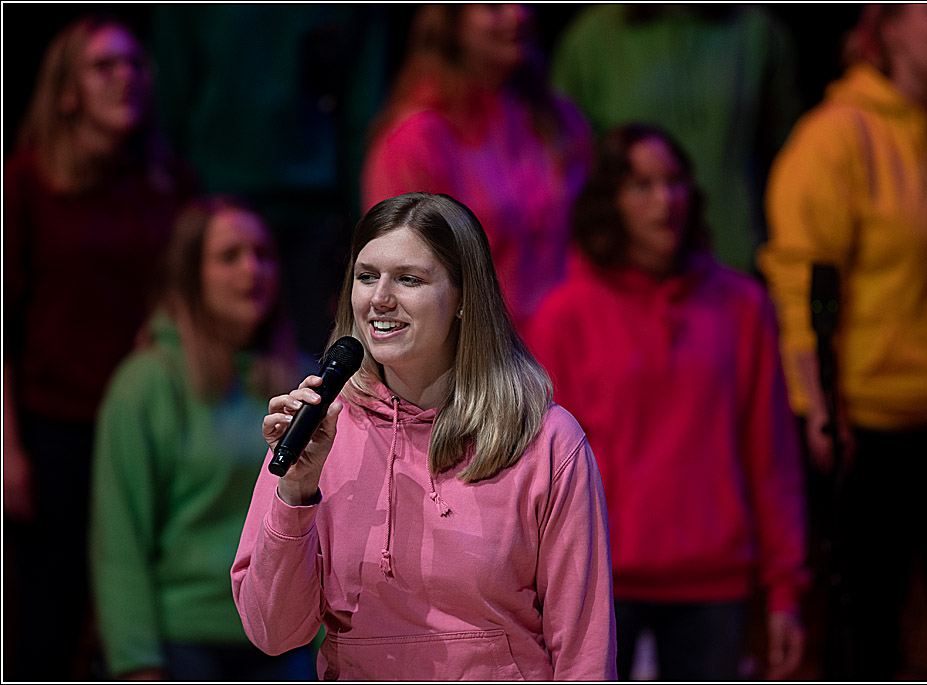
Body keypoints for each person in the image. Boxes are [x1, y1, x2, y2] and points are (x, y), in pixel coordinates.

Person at [231, 192, 616, 680]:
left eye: (409, 279)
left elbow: (584, 649)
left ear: (462, 298)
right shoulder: (318, 430)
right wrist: (295, 491)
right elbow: (273, 632)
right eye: (366, 276)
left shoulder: (544, 439)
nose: (380, 298)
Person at [757, 4, 927, 679]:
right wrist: (820, 400)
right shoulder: (836, 138)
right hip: (870, 420)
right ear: (887, 28)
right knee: (867, 622)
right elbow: (806, 284)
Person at [528, 124, 807, 681]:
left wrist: (785, 591)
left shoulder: (742, 308)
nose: (665, 200)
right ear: (610, 203)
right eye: (643, 185)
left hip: (715, 582)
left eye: (675, 182)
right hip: (596, 583)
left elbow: (771, 458)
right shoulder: (565, 316)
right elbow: (541, 473)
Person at [2, 13, 198, 679]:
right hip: (59, 422)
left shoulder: (169, 185)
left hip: (153, 425)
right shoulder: (28, 183)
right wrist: (6, 447)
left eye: (135, 65)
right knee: (51, 612)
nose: (125, 78)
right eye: (104, 66)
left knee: (136, 604)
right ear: (66, 91)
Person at [90, 196, 316, 680]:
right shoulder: (147, 383)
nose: (252, 270)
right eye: (229, 256)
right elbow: (119, 539)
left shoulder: (305, 380)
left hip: (290, 644)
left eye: (263, 254)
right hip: (187, 642)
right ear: (191, 274)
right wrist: (136, 662)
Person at [149, 4, 393, 357]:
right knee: (195, 362)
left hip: (316, 214)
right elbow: (167, 93)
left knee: (314, 369)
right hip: (211, 202)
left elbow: (363, 113)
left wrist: (364, 241)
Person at [361, 4, 592, 332]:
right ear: (451, 22)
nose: (519, 15)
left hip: (566, 349)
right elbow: (403, 279)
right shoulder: (416, 141)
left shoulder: (561, 122)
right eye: (494, 7)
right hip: (476, 357)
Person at [551, 4, 803, 275]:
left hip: (738, 265)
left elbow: (791, 157)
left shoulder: (757, 31)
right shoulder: (591, 38)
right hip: (623, 277)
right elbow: (563, 168)